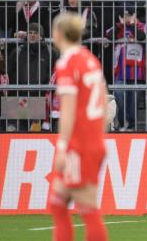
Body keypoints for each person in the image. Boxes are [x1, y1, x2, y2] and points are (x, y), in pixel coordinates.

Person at [49, 12, 109, 241]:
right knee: (57, 201)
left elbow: (69, 110)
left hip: (80, 144)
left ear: (59, 33)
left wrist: (62, 146)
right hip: (94, 142)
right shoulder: (89, 58)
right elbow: (103, 98)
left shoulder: (67, 62)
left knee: (87, 207)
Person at [108, 9, 147, 131]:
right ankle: (122, 122)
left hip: (137, 72)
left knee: (133, 100)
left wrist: (132, 25)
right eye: (125, 15)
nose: (127, 17)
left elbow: (142, 37)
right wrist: (121, 25)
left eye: (130, 15)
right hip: (120, 71)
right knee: (119, 96)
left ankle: (132, 125)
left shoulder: (141, 26)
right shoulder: (117, 27)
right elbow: (109, 36)